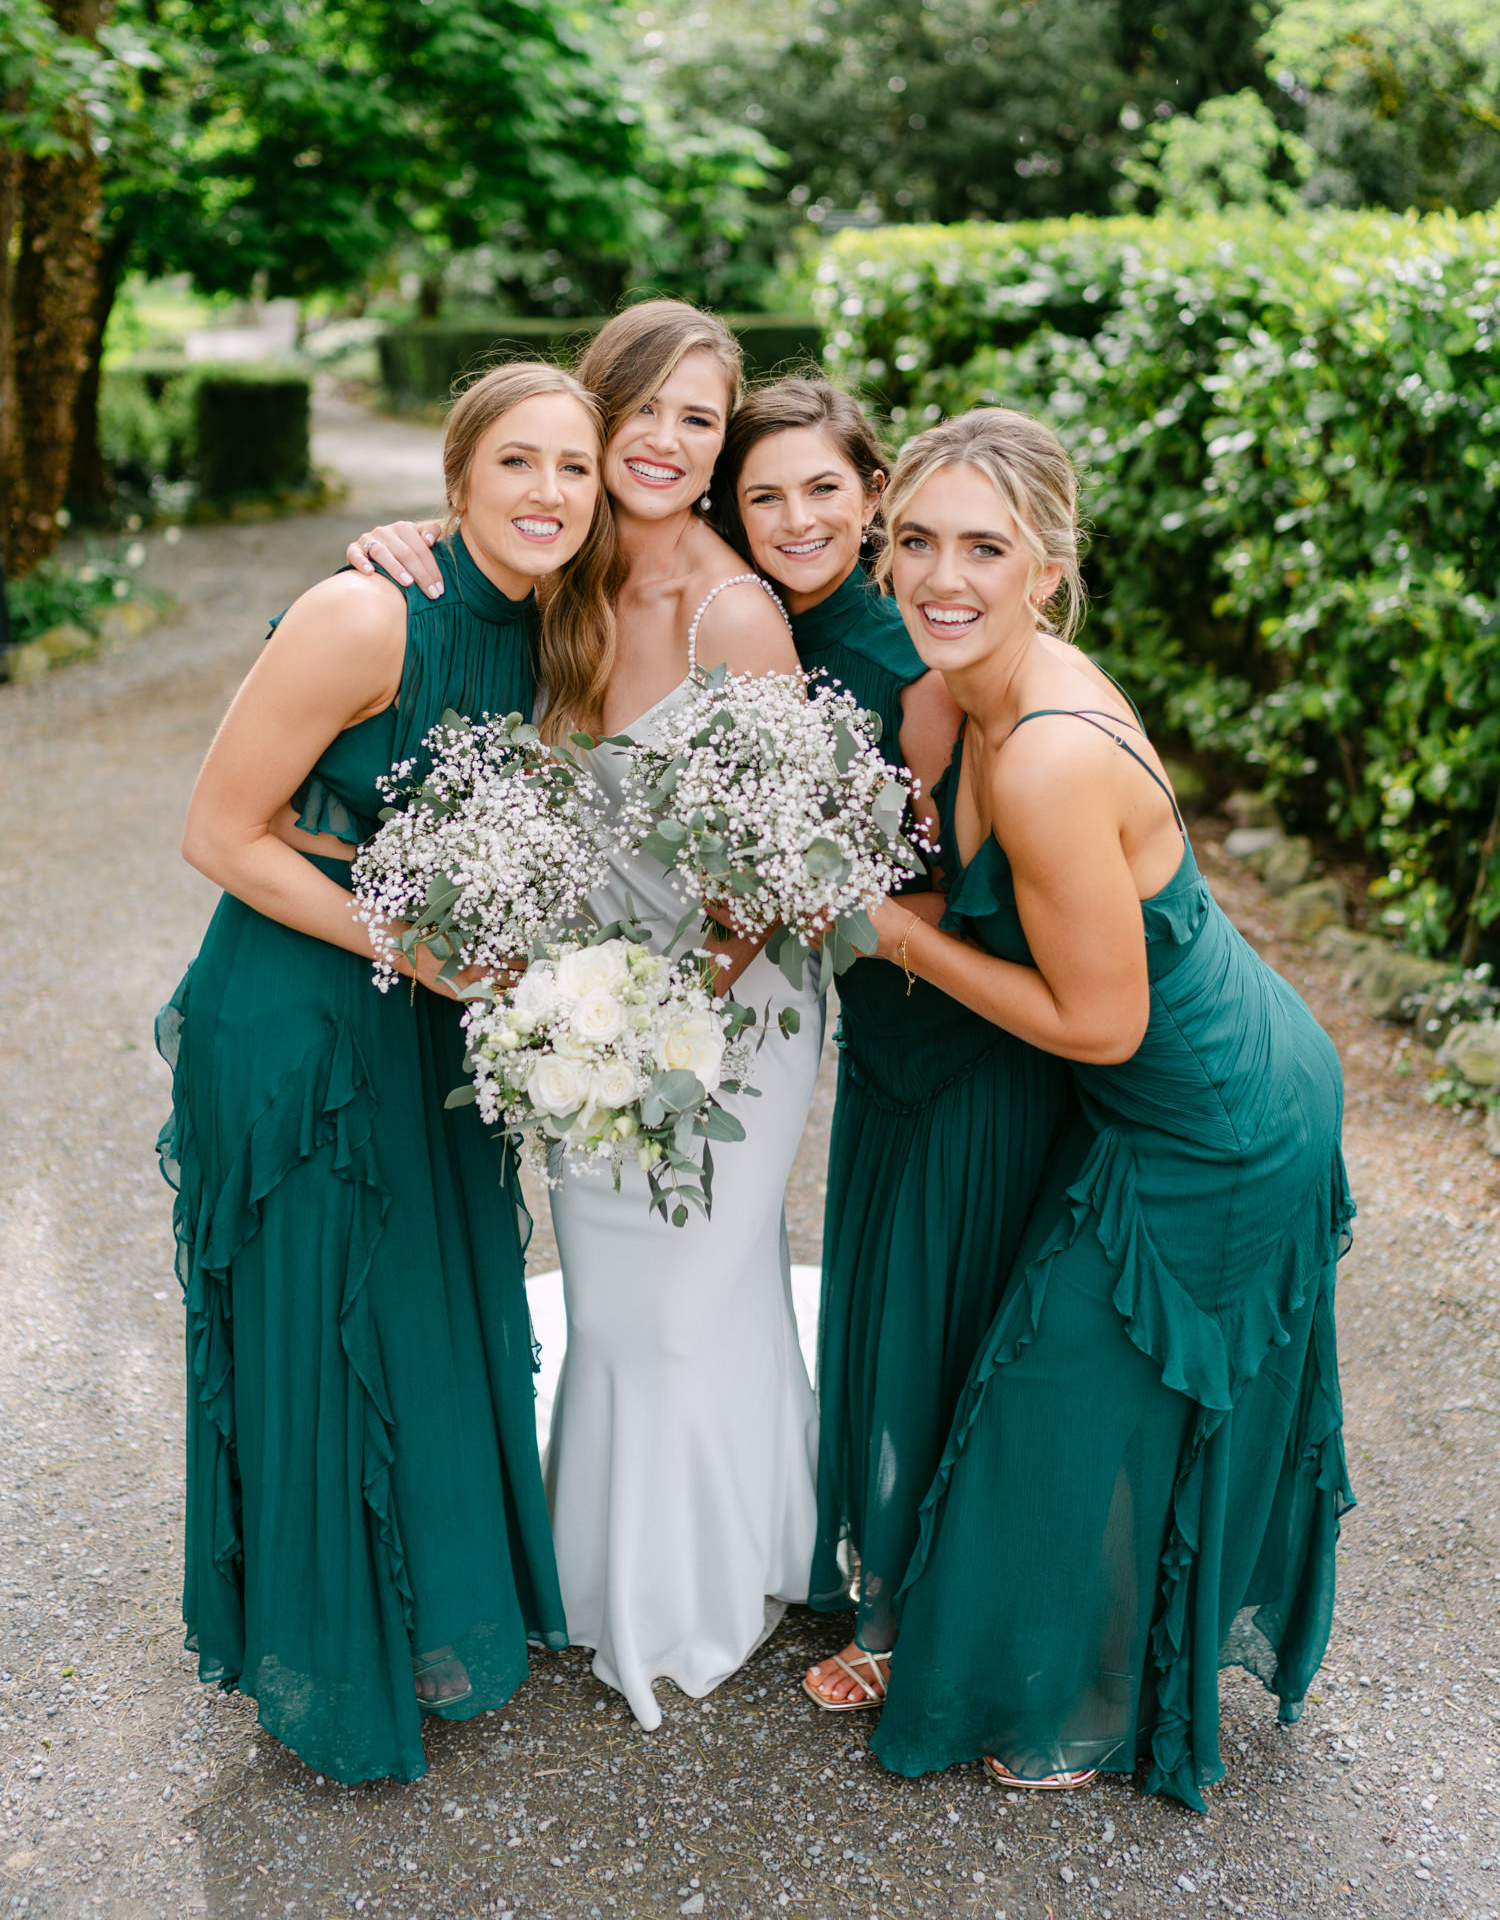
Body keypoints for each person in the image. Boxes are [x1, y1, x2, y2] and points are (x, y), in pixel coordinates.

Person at [856, 406, 1352, 1804]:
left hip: (1219, 1116)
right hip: (1173, 1087)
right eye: (918, 542)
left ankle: (1087, 1695)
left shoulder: (1051, 752)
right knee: (1066, 1388)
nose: (943, 576)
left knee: (1058, 1394)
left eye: (984, 548)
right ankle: (1089, 1657)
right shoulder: (959, 686)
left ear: (1049, 569)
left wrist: (892, 934)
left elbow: (1101, 1020)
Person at [348, 302, 823, 1731]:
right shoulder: (556, 578)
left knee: (674, 1302)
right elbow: (452, 565)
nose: (672, 441)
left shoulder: (735, 613)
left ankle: (691, 1593)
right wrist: (386, 546)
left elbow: (783, 867)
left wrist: (657, 1019)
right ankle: (641, 1556)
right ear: (599, 416)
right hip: (579, 1004)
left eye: (704, 416)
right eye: (650, 410)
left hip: (724, 1016)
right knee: (625, 1306)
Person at [159, 362, 609, 1783]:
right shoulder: (367, 609)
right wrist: (407, 945)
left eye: (574, 469)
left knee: (423, 1310)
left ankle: (423, 1603)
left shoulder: (553, 635)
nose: (549, 492)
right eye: (520, 462)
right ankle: (323, 1654)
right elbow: (221, 832)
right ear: (458, 475)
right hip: (299, 1022)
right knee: (321, 1323)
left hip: (426, 1017)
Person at [712, 375, 1076, 1713]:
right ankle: (894, 1577)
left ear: (872, 499)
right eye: (766, 493)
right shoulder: (762, 630)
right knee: (883, 1310)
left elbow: (956, 883)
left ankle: (913, 1611)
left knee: (940, 1317)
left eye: (826, 487)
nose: (799, 515)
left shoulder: (920, 669)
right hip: (883, 1038)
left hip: (957, 1037)